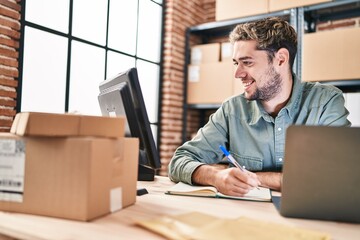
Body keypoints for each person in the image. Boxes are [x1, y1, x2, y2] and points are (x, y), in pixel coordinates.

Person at [168, 17, 351, 197]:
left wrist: (254, 178)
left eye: (247, 62)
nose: (238, 74)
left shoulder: (325, 102)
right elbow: (179, 161)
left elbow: (341, 174)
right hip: (247, 218)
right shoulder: (232, 110)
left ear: (280, 59)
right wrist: (215, 176)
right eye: (236, 63)